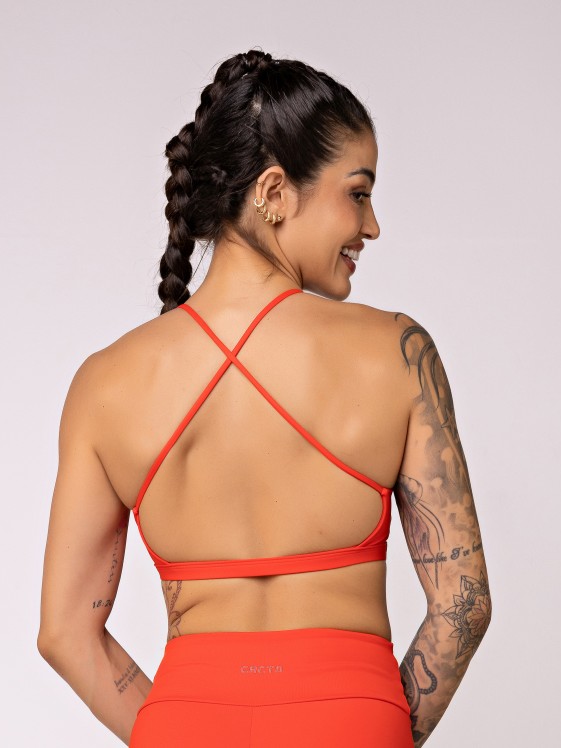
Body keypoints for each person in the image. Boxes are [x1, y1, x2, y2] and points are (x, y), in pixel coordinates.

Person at [37, 48, 492, 747]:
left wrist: (175, 731)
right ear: (275, 191)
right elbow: (463, 605)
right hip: (353, 725)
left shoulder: (105, 382)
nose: (371, 226)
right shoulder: (397, 353)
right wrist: (378, 728)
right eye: (358, 193)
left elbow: (65, 633)